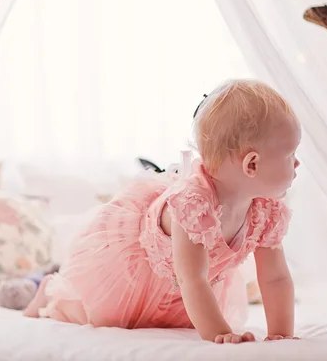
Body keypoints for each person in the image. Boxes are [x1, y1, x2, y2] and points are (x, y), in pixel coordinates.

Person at [24, 79, 301, 344]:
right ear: (251, 165)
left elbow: (275, 277)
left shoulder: (266, 209)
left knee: (180, 318)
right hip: (139, 277)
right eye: (290, 155)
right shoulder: (192, 203)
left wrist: (281, 335)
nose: (297, 163)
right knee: (94, 314)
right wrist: (220, 334)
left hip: (188, 292)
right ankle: (48, 293)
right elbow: (191, 277)